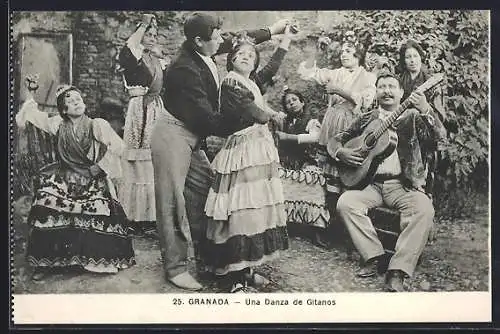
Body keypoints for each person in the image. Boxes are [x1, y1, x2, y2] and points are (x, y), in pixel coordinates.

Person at [151, 12, 291, 291]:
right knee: (172, 201)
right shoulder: (183, 68)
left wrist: (272, 30)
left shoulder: (205, 46)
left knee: (209, 196)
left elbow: (239, 41)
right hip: (174, 133)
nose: (222, 41)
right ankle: (175, 267)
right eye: (215, 37)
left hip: (194, 134)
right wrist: (249, 117)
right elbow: (208, 121)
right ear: (198, 41)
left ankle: (216, 261)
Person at [331, 70, 443, 292]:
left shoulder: (413, 117)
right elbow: (337, 139)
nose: (387, 91)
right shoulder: (367, 118)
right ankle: (373, 256)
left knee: (424, 210)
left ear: (402, 93)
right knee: (346, 202)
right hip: (371, 185)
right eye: (382, 86)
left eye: (392, 86)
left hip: (403, 185)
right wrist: (341, 152)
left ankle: (398, 270)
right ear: (376, 91)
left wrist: (426, 109)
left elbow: (440, 137)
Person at [16, 82, 135, 280]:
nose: (76, 102)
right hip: (65, 177)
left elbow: (119, 147)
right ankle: (47, 262)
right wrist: (31, 92)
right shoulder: (57, 124)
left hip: (91, 178)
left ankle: (93, 261)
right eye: (70, 101)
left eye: (78, 99)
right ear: (64, 109)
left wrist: (100, 166)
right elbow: (34, 115)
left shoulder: (97, 124)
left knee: (95, 207)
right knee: (46, 200)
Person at [204, 27, 293, 293]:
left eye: (251, 56)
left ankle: (248, 268)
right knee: (241, 210)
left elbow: (271, 68)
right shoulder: (230, 82)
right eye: (240, 54)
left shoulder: (251, 81)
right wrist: (271, 115)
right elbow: (249, 109)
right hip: (243, 151)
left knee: (256, 209)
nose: (246, 57)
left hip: (258, 149)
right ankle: (233, 276)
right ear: (231, 59)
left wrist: (286, 40)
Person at [297, 31, 376, 225]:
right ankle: (328, 220)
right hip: (332, 122)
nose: (344, 55)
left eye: (349, 51)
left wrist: (340, 91)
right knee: (329, 171)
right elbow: (308, 73)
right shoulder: (335, 73)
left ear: (358, 55)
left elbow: (365, 103)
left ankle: (347, 220)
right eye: (342, 51)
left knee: (346, 170)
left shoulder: (367, 77)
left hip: (351, 125)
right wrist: (317, 52)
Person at [117, 14, 170, 235]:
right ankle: (131, 216)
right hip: (139, 108)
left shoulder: (158, 62)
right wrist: (144, 24)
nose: (151, 38)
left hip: (156, 108)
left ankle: (149, 217)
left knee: (153, 161)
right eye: (147, 34)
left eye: (154, 35)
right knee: (136, 160)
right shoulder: (133, 56)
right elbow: (130, 46)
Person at [275, 88, 321, 170]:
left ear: (302, 102)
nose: (292, 103)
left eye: (294, 100)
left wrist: (288, 137)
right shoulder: (285, 122)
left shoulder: (312, 120)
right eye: (288, 102)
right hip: (289, 163)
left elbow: (315, 137)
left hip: (307, 163)